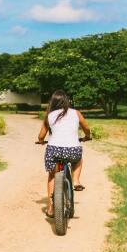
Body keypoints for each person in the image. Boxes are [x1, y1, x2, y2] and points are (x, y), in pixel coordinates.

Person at [37, 90, 91, 218]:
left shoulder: (49, 115)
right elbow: (86, 128)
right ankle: (76, 181)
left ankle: (51, 208)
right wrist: (87, 136)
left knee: (52, 175)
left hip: (54, 150)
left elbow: (41, 135)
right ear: (66, 101)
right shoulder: (76, 113)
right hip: (73, 150)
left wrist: (40, 141)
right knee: (78, 160)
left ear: (52, 102)